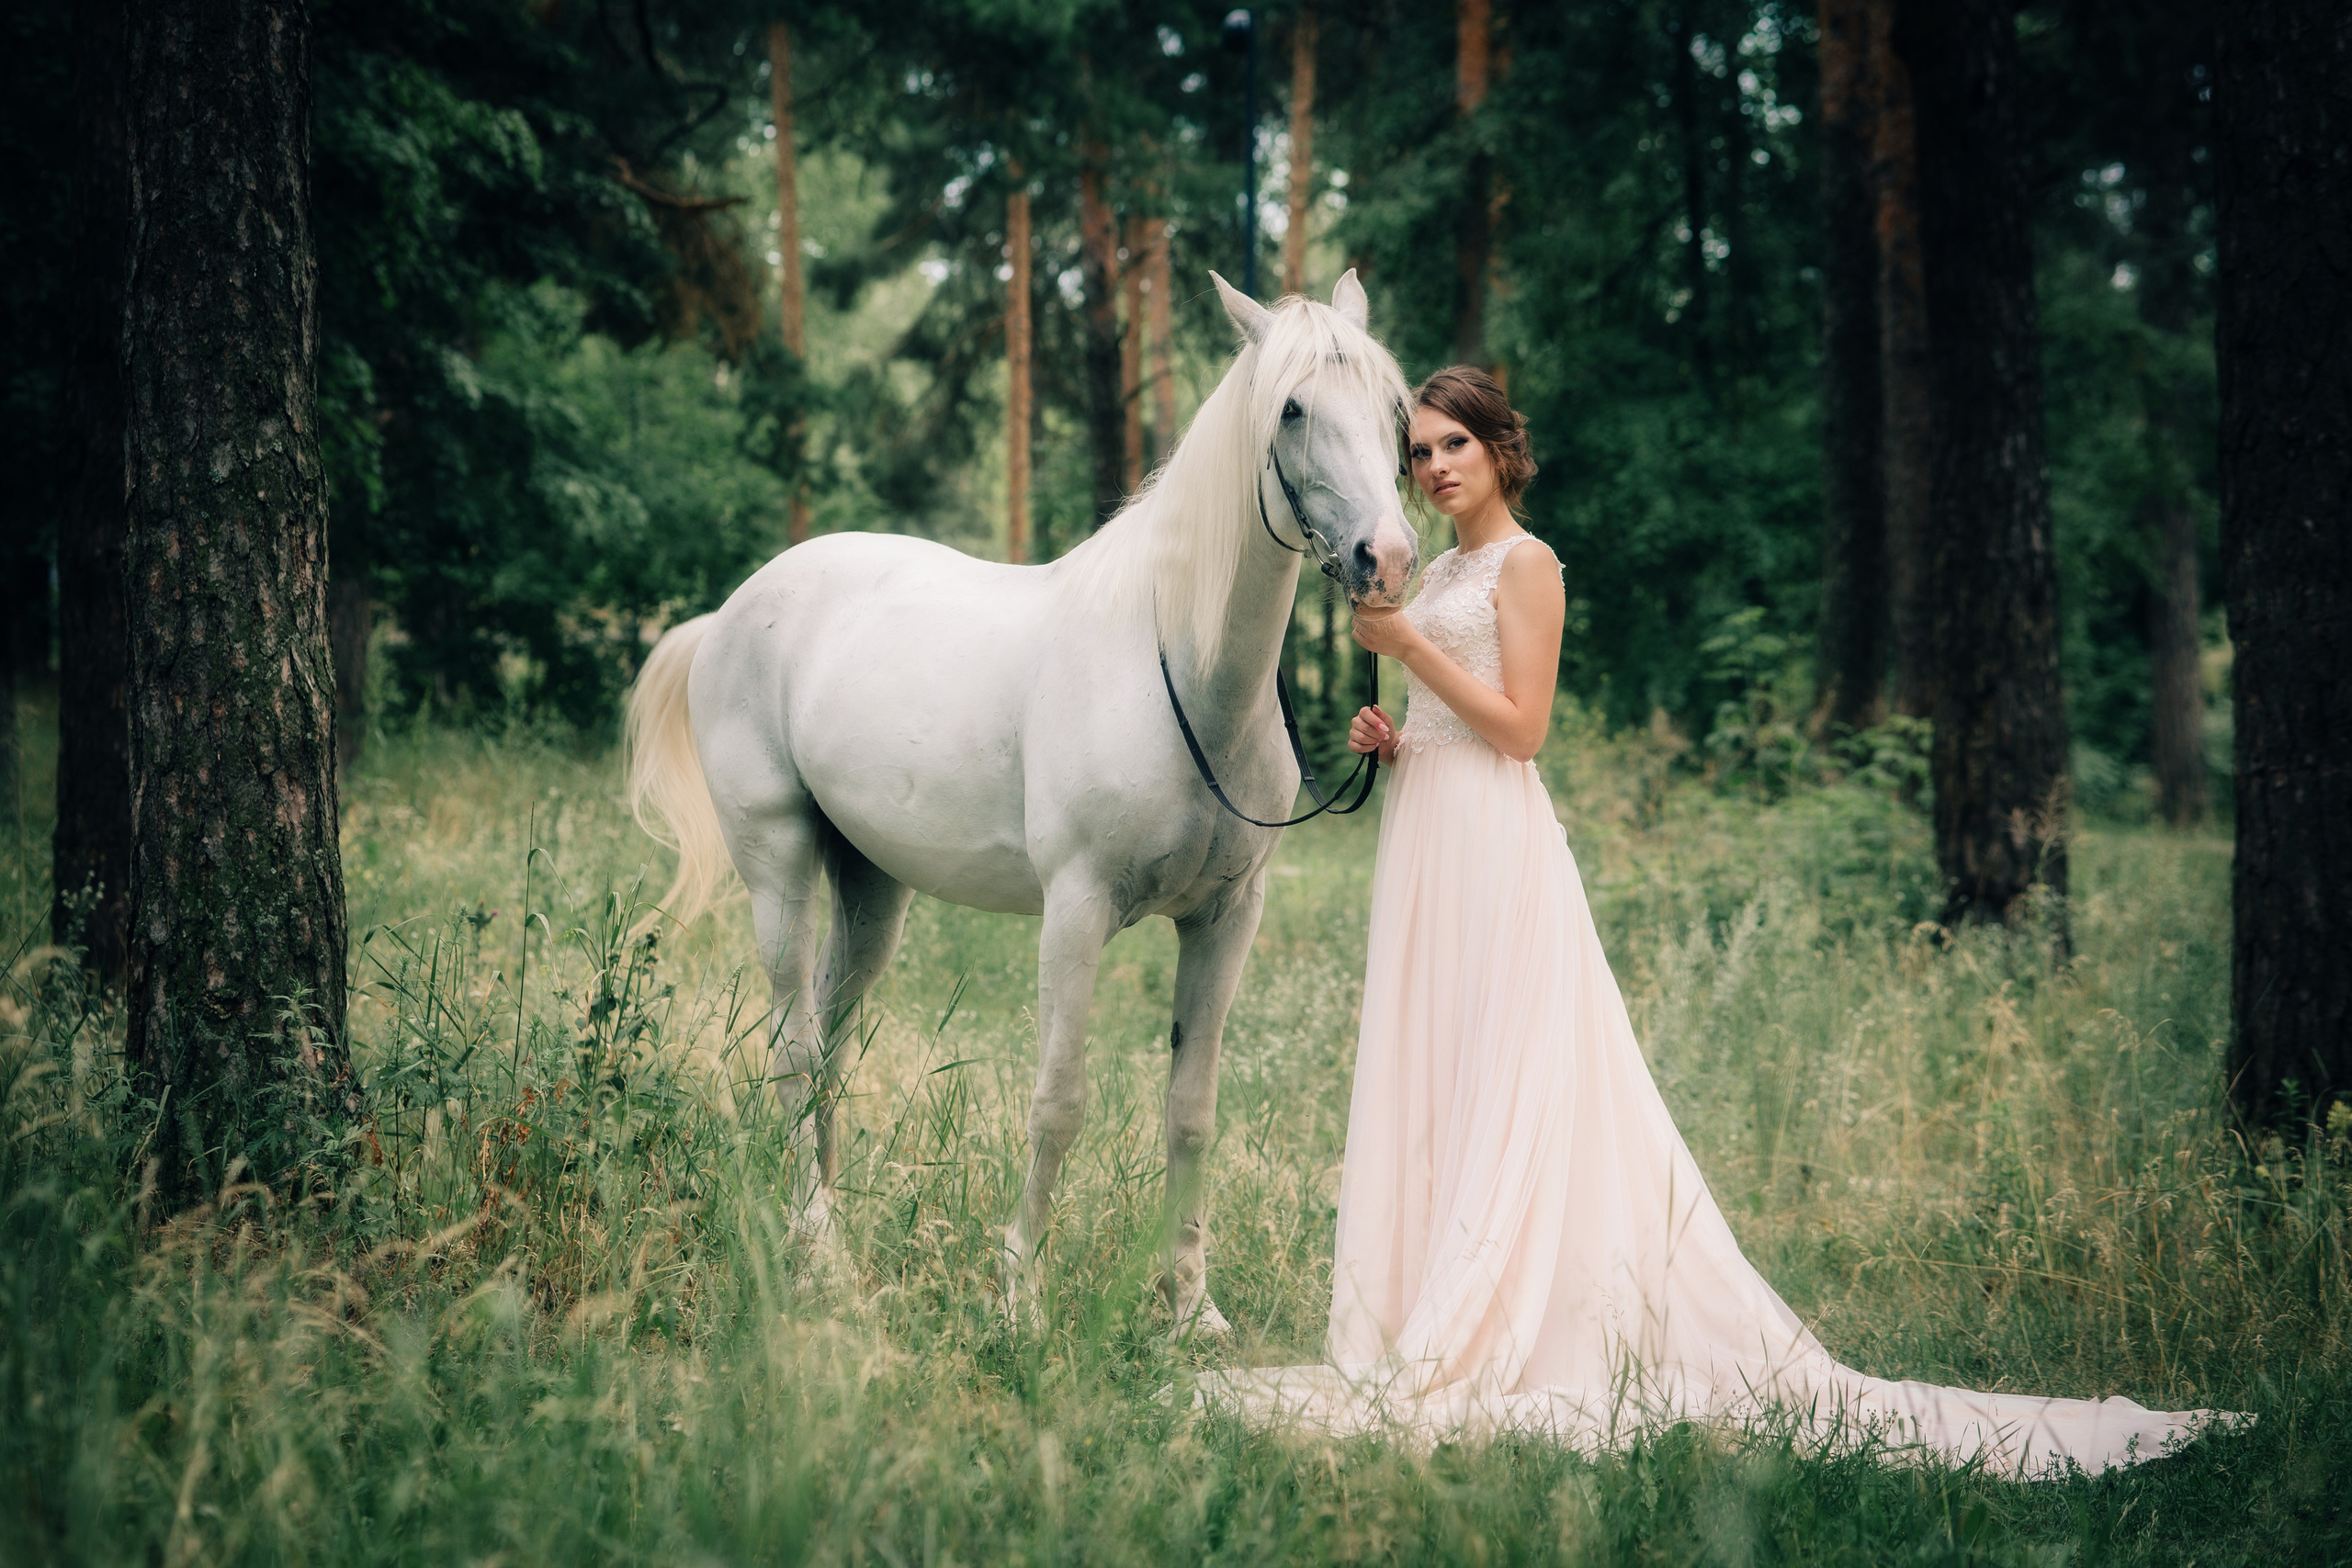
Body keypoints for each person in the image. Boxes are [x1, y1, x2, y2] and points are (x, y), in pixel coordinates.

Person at [1195, 367, 2229, 1476]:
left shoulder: (1527, 565)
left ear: (1500, 450)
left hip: (1496, 847)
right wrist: (1395, 734)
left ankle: (1513, 1311)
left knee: (1509, 1063)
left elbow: (1526, 730)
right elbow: (1453, 717)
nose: (1436, 466)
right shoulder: (1438, 568)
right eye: (1422, 453)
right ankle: (1433, 1292)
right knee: (1444, 1062)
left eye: (1456, 445)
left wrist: (1408, 653)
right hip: (1425, 836)